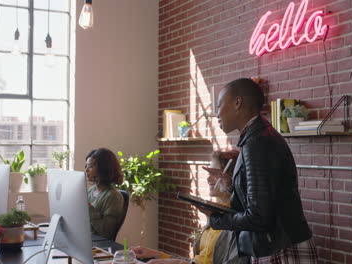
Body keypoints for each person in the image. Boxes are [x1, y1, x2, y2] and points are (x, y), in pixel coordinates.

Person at [207, 78, 317, 263]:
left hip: (282, 250)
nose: (216, 114)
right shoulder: (258, 136)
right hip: (276, 245)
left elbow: (259, 217)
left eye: (219, 106)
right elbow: (263, 200)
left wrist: (216, 220)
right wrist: (232, 185)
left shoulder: (257, 142)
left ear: (237, 103)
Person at [131, 150, 248, 264]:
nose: (208, 179)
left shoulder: (238, 222)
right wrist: (159, 255)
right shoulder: (214, 214)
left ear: (232, 176)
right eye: (209, 173)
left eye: (215, 173)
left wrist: (178, 262)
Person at [85, 148, 125, 240]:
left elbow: (106, 232)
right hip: (85, 239)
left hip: (98, 245)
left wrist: (88, 208)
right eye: (86, 166)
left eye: (90, 167)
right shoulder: (90, 191)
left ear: (103, 169)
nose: (86, 170)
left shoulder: (114, 196)